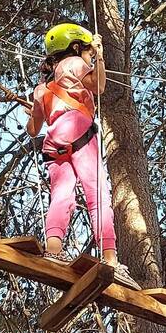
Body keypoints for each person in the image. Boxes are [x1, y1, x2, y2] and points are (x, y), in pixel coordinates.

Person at [25, 23, 140, 289]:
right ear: (76, 47)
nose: (88, 57)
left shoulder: (43, 88)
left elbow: (33, 129)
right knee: (97, 194)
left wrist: (33, 110)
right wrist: (98, 55)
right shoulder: (76, 62)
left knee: (62, 196)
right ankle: (110, 258)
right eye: (85, 51)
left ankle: (53, 249)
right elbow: (98, 85)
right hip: (78, 132)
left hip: (55, 144)